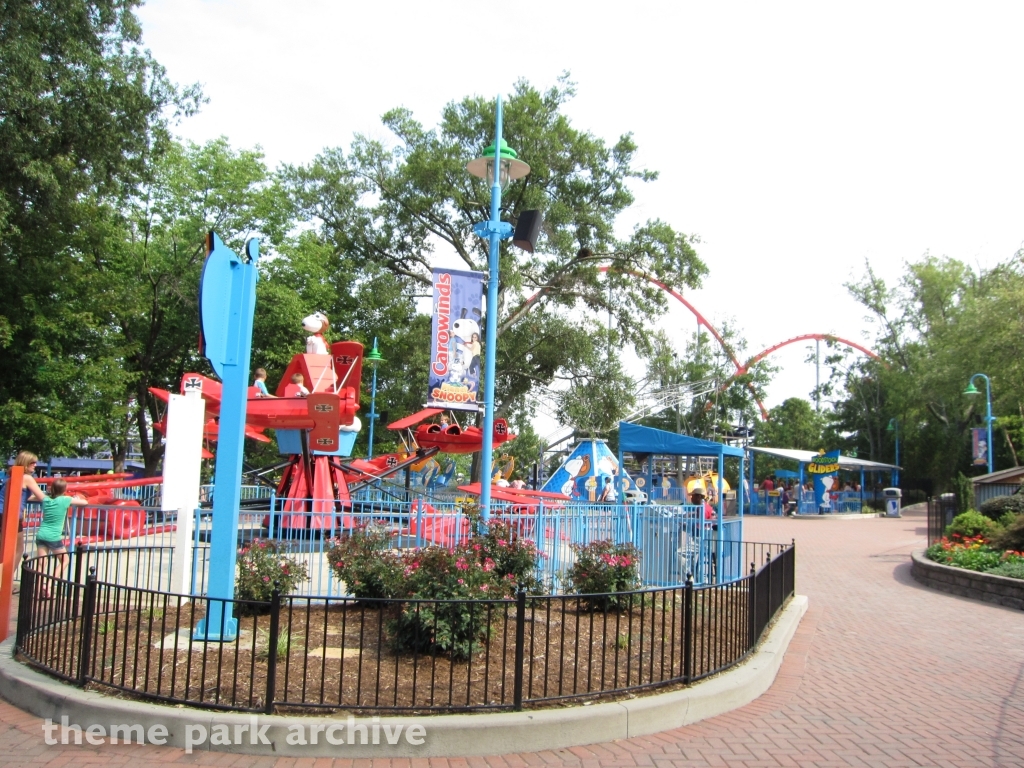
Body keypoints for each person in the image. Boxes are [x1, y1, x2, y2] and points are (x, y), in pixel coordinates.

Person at [36, 478, 88, 596]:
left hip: (41, 534)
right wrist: (78, 498)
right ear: (65, 489)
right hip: (53, 536)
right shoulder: (65, 499)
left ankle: (38, 589)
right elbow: (85, 503)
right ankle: (49, 586)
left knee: (41, 563)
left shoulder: (46, 499)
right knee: (65, 560)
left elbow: (36, 497)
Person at [1, 452, 47, 570]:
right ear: (25, 463)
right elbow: (44, 498)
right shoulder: (27, 478)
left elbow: (22, 496)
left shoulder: (12, 477)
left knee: (4, 549)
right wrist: (64, 499)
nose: (35, 465)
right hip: (11, 516)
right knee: (18, 549)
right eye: (33, 462)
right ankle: (6, 581)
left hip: (3, 513)